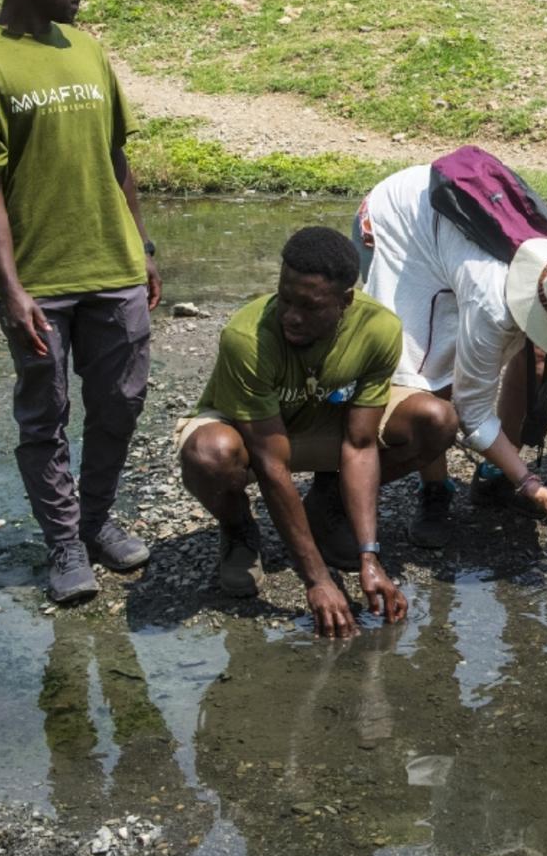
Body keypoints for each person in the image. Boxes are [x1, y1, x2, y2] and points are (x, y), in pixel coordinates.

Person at [0, 0, 160, 606]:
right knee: (47, 414)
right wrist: (10, 289)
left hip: (112, 263)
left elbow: (116, 155)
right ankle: (64, 545)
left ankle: (94, 521)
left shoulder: (87, 50)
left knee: (121, 401)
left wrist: (141, 244)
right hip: (39, 279)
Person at [355, 160, 547, 544]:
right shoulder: (492, 302)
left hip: (461, 234)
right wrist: (531, 484)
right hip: (398, 224)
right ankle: (435, 489)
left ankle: (496, 476)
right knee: (433, 386)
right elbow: (470, 410)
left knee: (535, 358)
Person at [174, 227, 409, 637]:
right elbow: (269, 462)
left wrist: (370, 556)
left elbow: (360, 443)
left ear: (345, 302)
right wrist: (317, 579)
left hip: (317, 420)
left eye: (310, 306)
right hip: (253, 435)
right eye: (284, 298)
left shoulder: (378, 329)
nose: (291, 316)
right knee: (209, 453)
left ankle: (328, 504)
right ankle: (239, 529)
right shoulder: (246, 339)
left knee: (433, 420)